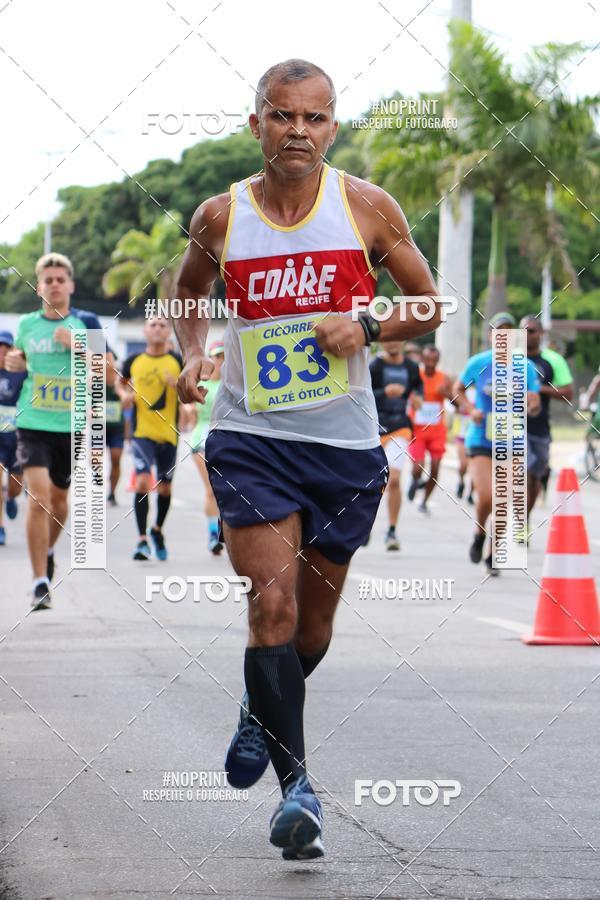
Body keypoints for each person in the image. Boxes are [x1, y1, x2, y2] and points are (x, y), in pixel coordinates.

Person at [173, 58, 441, 861]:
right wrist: (193, 353)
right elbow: (187, 295)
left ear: (333, 126)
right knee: (273, 609)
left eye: (315, 118)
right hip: (251, 439)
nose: (299, 131)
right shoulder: (220, 217)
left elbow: (428, 303)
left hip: (344, 445)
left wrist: (366, 325)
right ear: (256, 123)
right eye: (282, 116)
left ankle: (261, 714)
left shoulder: (365, 206)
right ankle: (299, 792)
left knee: (312, 631)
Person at [4, 253, 103, 609]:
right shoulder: (28, 324)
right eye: (48, 280)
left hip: (72, 426)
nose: (55, 284)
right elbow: (19, 361)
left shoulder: (85, 322)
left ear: (71, 285)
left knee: (60, 503)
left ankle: (46, 551)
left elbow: (106, 370)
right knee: (39, 497)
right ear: (39, 286)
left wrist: (78, 345)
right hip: (32, 423)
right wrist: (15, 362)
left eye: (61, 279)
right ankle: (38, 583)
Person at [453, 312, 541, 575]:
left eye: (507, 331)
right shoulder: (478, 363)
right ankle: (480, 534)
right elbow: (457, 390)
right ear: (490, 336)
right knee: (487, 497)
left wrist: (530, 403)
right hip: (481, 437)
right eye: (497, 330)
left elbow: (534, 397)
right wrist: (470, 409)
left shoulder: (523, 366)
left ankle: (493, 552)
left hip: (511, 438)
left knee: (504, 498)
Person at [120, 315, 183, 561]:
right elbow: (121, 382)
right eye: (153, 325)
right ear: (144, 331)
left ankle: (157, 530)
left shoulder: (177, 361)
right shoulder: (134, 361)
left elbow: (190, 391)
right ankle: (141, 540)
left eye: (162, 325)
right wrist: (125, 394)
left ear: (168, 332)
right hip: (141, 434)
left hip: (168, 433)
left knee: (165, 488)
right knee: (143, 482)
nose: (157, 329)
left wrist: (177, 385)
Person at [520, 315, 573, 531]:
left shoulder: (552, 360)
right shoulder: (511, 358)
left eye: (531, 331)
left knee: (533, 477)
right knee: (521, 475)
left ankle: (524, 520)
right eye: (523, 330)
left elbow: (568, 392)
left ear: (540, 334)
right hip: (514, 426)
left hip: (540, 427)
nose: (527, 335)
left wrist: (537, 388)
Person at [370, 340, 422, 548]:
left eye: (397, 339)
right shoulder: (375, 366)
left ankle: (391, 531)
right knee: (372, 483)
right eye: (388, 340)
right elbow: (362, 395)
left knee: (394, 479)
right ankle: (365, 526)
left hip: (400, 426)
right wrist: (384, 393)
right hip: (374, 428)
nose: (393, 344)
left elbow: (418, 390)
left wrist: (417, 398)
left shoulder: (410, 366)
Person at [188, 339, 225, 554]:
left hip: (226, 438)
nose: (220, 361)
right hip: (201, 438)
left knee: (227, 490)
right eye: (217, 356)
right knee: (211, 490)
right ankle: (213, 535)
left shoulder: (232, 385)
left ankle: (226, 529)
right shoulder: (202, 385)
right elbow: (189, 412)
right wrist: (189, 411)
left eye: (223, 357)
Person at [408, 344, 454, 515]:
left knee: (435, 470)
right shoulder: (415, 376)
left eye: (434, 361)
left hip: (436, 431)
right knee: (417, 468)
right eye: (427, 360)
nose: (430, 363)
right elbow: (405, 394)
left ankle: (424, 501)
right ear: (422, 359)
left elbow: (455, 401)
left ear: (438, 361)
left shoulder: (444, 378)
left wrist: (447, 394)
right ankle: (414, 481)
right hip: (418, 429)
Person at [0, 330, 26, 544]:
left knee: (16, 486)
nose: (2, 351)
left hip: (17, 437)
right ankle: (0, 527)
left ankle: (11, 498)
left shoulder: (21, 373)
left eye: (6, 347)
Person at [106, 350, 125, 506]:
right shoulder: (94, 380)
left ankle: (112, 493)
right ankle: (97, 476)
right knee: (95, 458)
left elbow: (128, 402)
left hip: (116, 428)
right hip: (98, 428)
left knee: (116, 459)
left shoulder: (121, 383)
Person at [455, 385, 475, 504]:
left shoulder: (485, 391)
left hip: (476, 436)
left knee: (475, 468)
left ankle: (471, 493)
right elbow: (453, 409)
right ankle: (461, 481)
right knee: (463, 464)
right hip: (462, 435)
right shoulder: (460, 392)